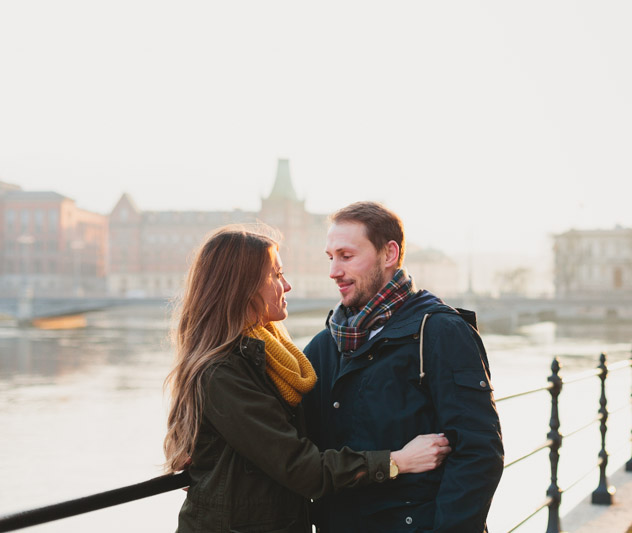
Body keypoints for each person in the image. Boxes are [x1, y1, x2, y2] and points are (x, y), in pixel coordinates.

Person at [162, 225, 451, 533]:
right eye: (275, 275)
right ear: (242, 287)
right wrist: (399, 461)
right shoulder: (223, 371)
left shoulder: (269, 356)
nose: (286, 286)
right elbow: (301, 467)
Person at [303, 202, 504, 533]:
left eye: (346, 256)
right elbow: (294, 450)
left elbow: (479, 455)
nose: (333, 271)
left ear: (389, 253)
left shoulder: (440, 332)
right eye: (331, 257)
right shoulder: (326, 345)